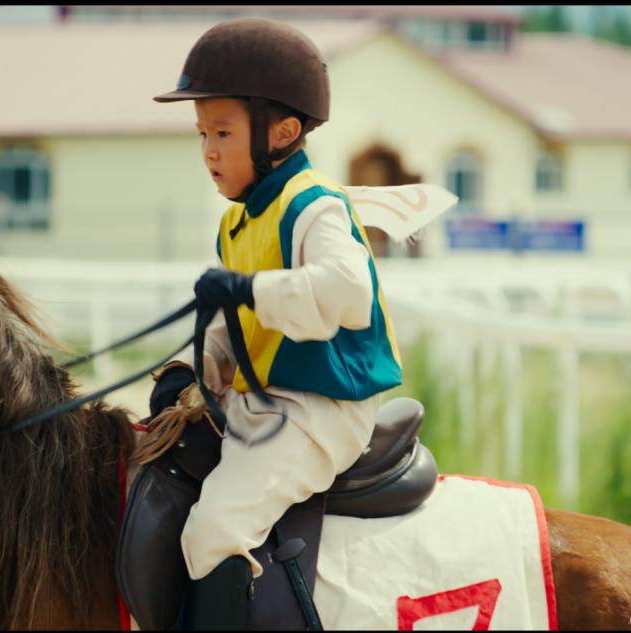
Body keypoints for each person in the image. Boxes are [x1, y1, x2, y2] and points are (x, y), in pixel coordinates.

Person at [149, 17, 405, 629]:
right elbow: (235, 332)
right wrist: (189, 371)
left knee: (215, 530)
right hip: (270, 400)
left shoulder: (312, 203)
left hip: (325, 407)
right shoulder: (236, 222)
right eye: (201, 133)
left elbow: (345, 294)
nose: (208, 150)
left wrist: (244, 288)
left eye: (223, 132)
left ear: (283, 131)